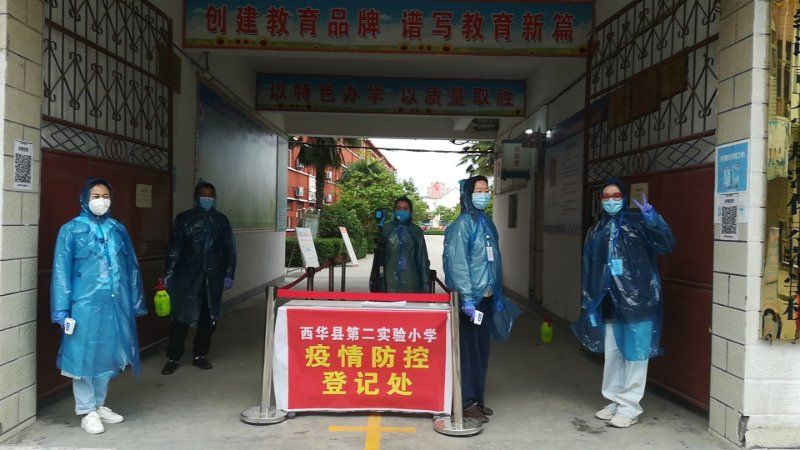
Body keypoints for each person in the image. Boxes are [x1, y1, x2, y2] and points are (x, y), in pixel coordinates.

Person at [571, 179, 675, 428]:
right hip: (608, 301)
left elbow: (666, 244)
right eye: (606, 196)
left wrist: (652, 218)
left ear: (625, 198)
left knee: (636, 354)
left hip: (638, 300)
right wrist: (589, 300)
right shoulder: (596, 231)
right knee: (613, 354)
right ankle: (614, 401)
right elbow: (589, 267)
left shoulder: (638, 224)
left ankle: (630, 407)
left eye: (616, 196)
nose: (610, 200)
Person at [51, 178, 147, 434]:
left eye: (105, 196)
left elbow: (131, 268)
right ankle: (86, 410)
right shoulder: (71, 230)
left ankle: (99, 404)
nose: (101, 201)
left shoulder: (117, 229)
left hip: (113, 304)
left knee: (107, 354)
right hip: (83, 305)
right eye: (96, 196)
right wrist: (61, 310)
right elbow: (61, 271)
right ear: (85, 198)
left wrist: (134, 300)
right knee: (83, 356)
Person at [443, 175, 521, 424]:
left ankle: (477, 398)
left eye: (487, 190)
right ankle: (466, 402)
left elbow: (492, 260)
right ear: (468, 194)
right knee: (467, 351)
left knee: (481, 350)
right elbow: (457, 264)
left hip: (486, 297)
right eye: (479, 190)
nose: (484, 194)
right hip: (470, 301)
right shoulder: (462, 225)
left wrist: (496, 292)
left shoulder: (487, 223)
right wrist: (466, 298)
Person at [161, 181, 236, 375]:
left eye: (211, 195)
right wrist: (169, 273)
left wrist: (229, 273)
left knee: (208, 318)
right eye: (204, 194)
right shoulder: (184, 219)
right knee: (181, 318)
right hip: (187, 277)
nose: (207, 198)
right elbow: (175, 248)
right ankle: (173, 357)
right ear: (196, 197)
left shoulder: (221, 221)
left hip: (213, 278)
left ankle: (200, 355)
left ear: (215, 198)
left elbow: (229, 248)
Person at [382, 196, 431, 293]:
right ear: (394, 210)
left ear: (410, 211)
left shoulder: (416, 231)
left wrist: (425, 281)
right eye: (399, 208)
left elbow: (422, 258)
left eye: (405, 208)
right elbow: (379, 258)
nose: (401, 211)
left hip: (411, 279)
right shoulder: (386, 230)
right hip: (389, 279)